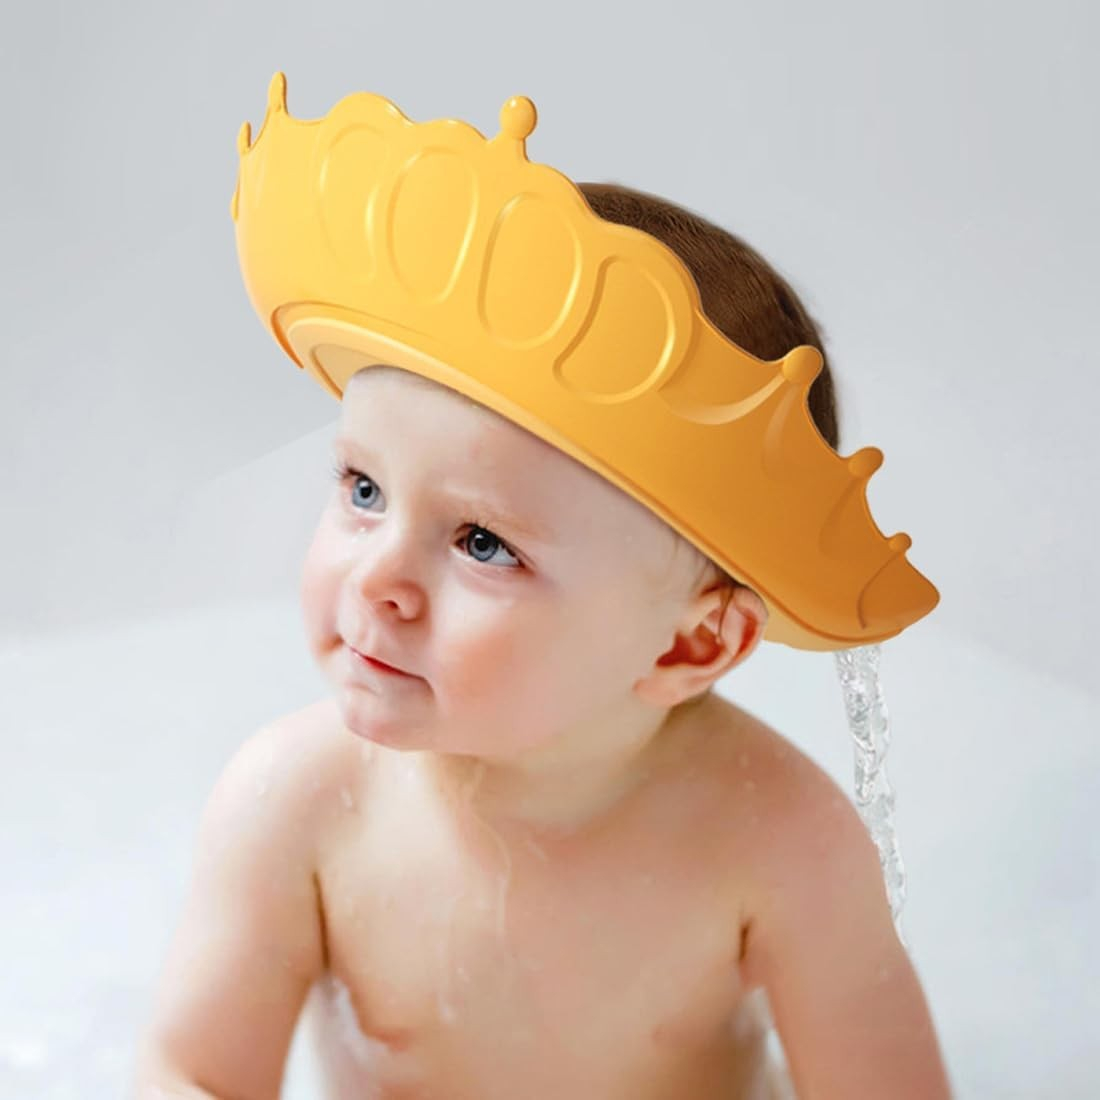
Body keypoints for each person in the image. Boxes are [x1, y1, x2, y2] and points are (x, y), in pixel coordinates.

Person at [133, 83, 953, 1099]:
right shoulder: (298, 803)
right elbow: (190, 1071)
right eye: (363, 489)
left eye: (482, 542)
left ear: (688, 645)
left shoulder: (774, 837)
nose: (378, 578)